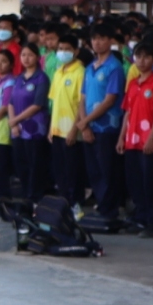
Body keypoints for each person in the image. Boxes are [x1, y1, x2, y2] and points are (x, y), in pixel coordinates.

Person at [119, 31, 153, 237]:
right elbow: (127, 112)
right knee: (135, 181)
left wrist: (151, 138)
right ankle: (140, 217)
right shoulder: (132, 83)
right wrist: (122, 136)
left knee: (151, 182)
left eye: (147, 57)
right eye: (138, 57)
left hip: (149, 140)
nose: (142, 61)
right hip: (131, 139)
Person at [79, 24, 126, 219]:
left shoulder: (114, 67)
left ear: (110, 41)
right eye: (94, 39)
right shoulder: (89, 67)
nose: (97, 43)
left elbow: (110, 100)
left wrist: (85, 121)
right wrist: (85, 124)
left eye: (102, 38)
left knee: (108, 170)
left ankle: (109, 209)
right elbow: (82, 98)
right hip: (90, 127)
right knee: (94, 171)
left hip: (107, 127)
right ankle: (101, 205)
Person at [46, 33, 87, 208]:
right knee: (60, 171)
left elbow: (81, 103)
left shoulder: (80, 72)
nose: (63, 52)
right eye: (60, 49)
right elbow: (54, 102)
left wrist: (74, 129)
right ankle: (63, 205)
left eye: (67, 49)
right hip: (56, 130)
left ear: (76, 51)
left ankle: (75, 205)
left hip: (72, 131)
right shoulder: (58, 72)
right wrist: (51, 129)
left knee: (73, 172)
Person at [7, 45, 51, 203]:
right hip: (17, 129)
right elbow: (11, 102)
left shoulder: (42, 78)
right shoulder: (19, 78)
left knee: (35, 163)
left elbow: (37, 105)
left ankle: (35, 196)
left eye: (30, 55)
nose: (26, 58)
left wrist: (15, 120)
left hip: (34, 129)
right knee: (20, 162)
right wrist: (13, 124)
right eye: (23, 55)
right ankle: (26, 193)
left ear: (37, 57)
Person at [0, 48, 18, 202]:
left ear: (11, 64)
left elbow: (5, 107)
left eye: (4, 61)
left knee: (0, 168)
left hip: (1, 130)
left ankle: (4, 200)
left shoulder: (10, 83)